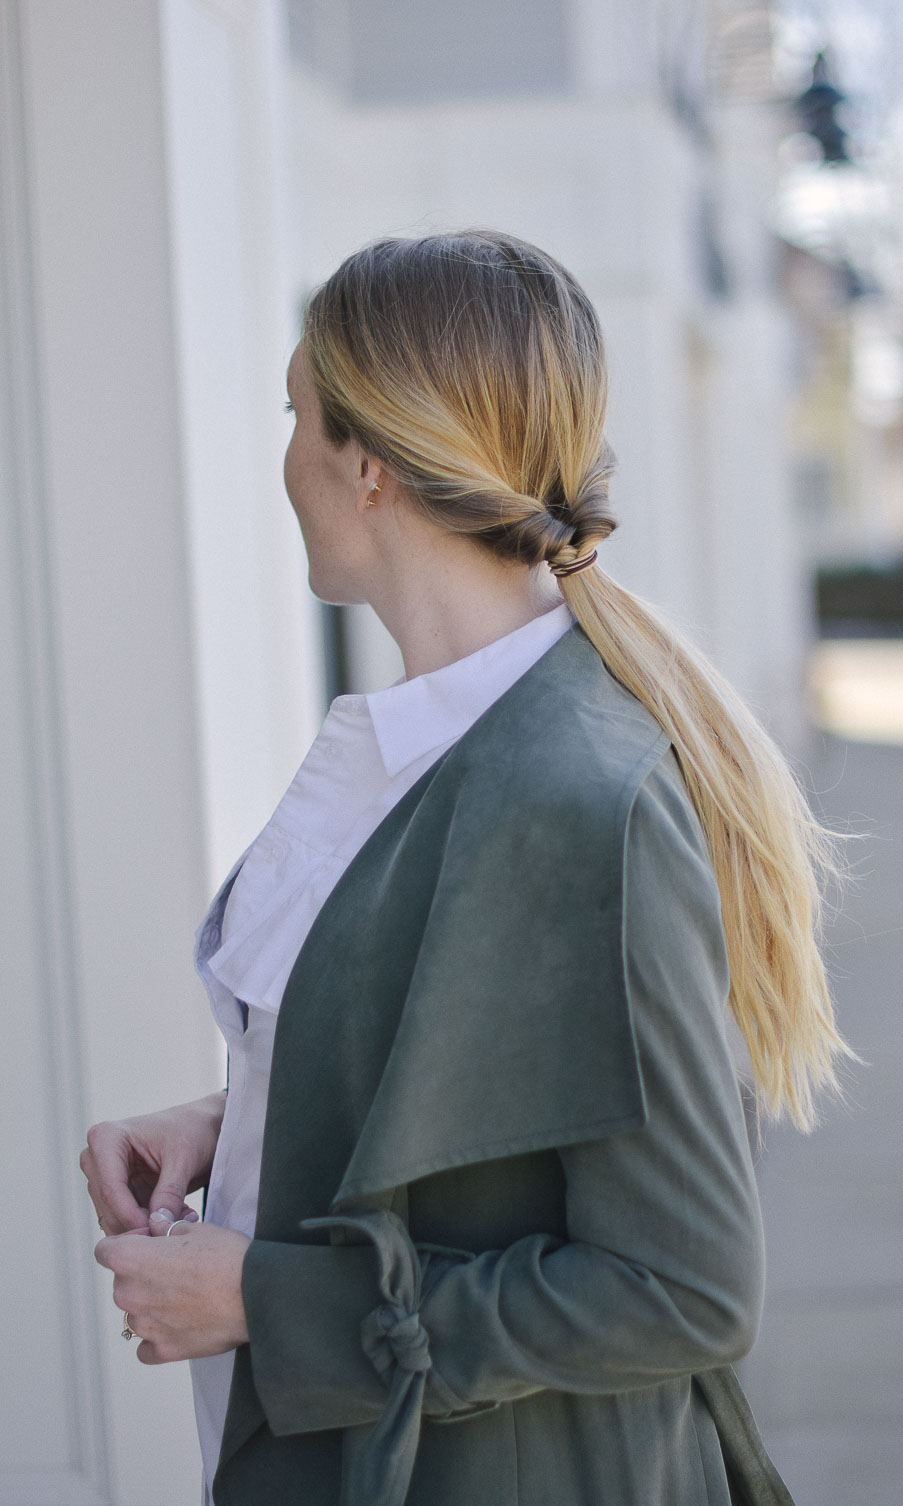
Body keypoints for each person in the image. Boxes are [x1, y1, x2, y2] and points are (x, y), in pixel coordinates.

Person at [80, 228, 852, 1506]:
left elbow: (684, 1288)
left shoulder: (576, 797)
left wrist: (270, 1300)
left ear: (368, 464)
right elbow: (494, 1078)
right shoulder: (432, 742)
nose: (282, 457)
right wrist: (255, 1117)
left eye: (295, 413)